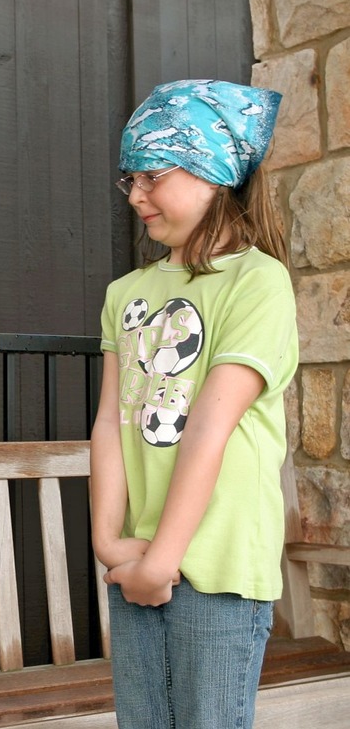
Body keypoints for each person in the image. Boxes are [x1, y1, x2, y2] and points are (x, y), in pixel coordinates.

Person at [89, 79, 298, 728]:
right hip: (138, 564)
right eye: (129, 179)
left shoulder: (258, 283)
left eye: (152, 174)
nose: (135, 195)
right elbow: (109, 422)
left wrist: (161, 560)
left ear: (213, 173)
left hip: (216, 570)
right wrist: (108, 542)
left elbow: (209, 426)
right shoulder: (125, 290)